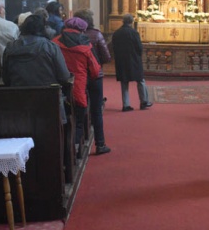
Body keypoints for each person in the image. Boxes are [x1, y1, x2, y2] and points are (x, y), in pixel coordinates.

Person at [55, 17, 101, 150]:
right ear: (82, 31)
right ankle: (73, 150)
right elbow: (95, 71)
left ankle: (61, 151)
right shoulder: (85, 46)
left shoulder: (54, 42)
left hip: (57, 89)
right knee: (78, 123)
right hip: (78, 90)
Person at [75, 9, 112, 155]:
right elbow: (106, 57)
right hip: (95, 76)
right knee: (96, 110)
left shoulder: (68, 36)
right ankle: (100, 144)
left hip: (78, 77)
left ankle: (78, 144)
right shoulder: (96, 34)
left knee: (79, 110)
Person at [112, 13, 152, 112]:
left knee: (124, 82)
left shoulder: (116, 33)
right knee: (140, 80)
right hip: (134, 60)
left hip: (121, 60)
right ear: (131, 22)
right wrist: (138, 55)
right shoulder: (134, 33)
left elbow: (113, 48)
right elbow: (139, 47)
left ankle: (126, 105)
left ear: (123, 21)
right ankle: (144, 101)